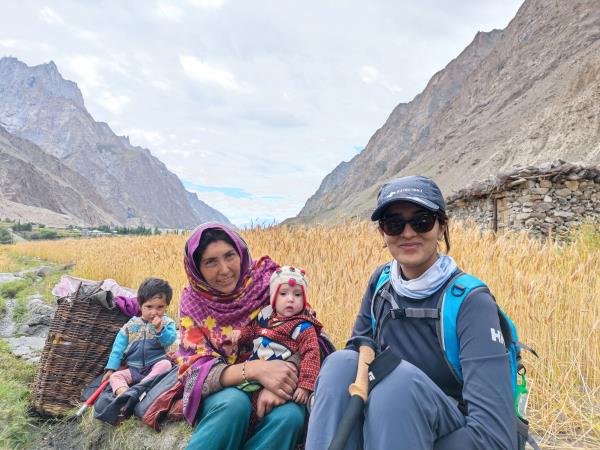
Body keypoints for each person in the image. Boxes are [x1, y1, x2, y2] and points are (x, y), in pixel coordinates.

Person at [305, 176, 517, 450]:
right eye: (394, 223)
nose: (407, 233)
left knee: (396, 387)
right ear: (382, 233)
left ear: (442, 227)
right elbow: (360, 351)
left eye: (422, 221)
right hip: (385, 425)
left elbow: (495, 438)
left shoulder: (471, 302)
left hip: (448, 431)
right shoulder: (380, 284)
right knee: (339, 365)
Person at [178, 223, 305, 450]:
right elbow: (195, 370)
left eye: (230, 256)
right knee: (234, 405)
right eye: (210, 262)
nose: (225, 269)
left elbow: (308, 335)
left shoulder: (270, 284)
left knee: (290, 416)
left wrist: (281, 379)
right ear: (196, 268)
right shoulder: (193, 301)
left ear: (241, 253)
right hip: (225, 390)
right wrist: (255, 370)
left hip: (273, 381)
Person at [231, 266, 322, 425]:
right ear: (273, 297)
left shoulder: (303, 327)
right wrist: (241, 334)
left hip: (281, 380)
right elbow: (253, 331)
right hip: (256, 373)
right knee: (245, 407)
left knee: (269, 412)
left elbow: (311, 355)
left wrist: (305, 386)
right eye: (283, 293)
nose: (291, 299)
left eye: (298, 294)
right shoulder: (265, 315)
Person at [103, 277, 177, 396]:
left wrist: (160, 329)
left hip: (155, 365)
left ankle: (139, 388)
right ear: (140, 305)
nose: (154, 312)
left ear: (166, 306)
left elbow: (169, 341)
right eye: (149, 307)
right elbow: (118, 348)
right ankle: (125, 394)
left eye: (160, 307)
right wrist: (111, 368)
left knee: (166, 365)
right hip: (134, 369)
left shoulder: (167, 323)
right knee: (115, 377)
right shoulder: (131, 326)